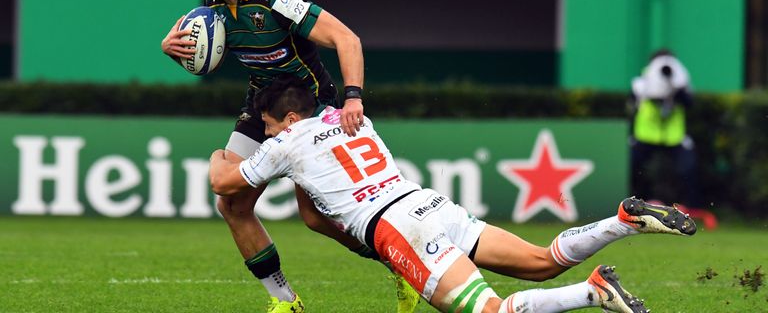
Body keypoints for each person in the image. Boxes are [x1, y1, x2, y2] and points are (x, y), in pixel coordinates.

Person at [209, 75, 698, 313]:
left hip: (400, 230)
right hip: (430, 205)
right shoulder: (353, 119)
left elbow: (224, 185)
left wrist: (220, 154)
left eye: (269, 126)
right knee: (542, 260)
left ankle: (593, 292)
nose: (268, 136)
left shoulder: (289, 140)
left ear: (290, 120)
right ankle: (621, 221)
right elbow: (317, 214)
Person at [160, 0, 418, 313]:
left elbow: (347, 39)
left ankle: (402, 267)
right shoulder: (210, 10)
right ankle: (286, 302)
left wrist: (353, 98)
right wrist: (172, 48)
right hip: (263, 105)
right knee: (231, 204)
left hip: (309, 109)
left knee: (315, 218)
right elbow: (199, 53)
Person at [629, 49, 701, 209]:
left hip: (674, 136)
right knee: (632, 167)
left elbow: (689, 103)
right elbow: (633, 105)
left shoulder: (680, 83)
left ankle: (689, 208)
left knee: (688, 168)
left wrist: (676, 91)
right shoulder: (641, 83)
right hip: (646, 136)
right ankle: (635, 204)